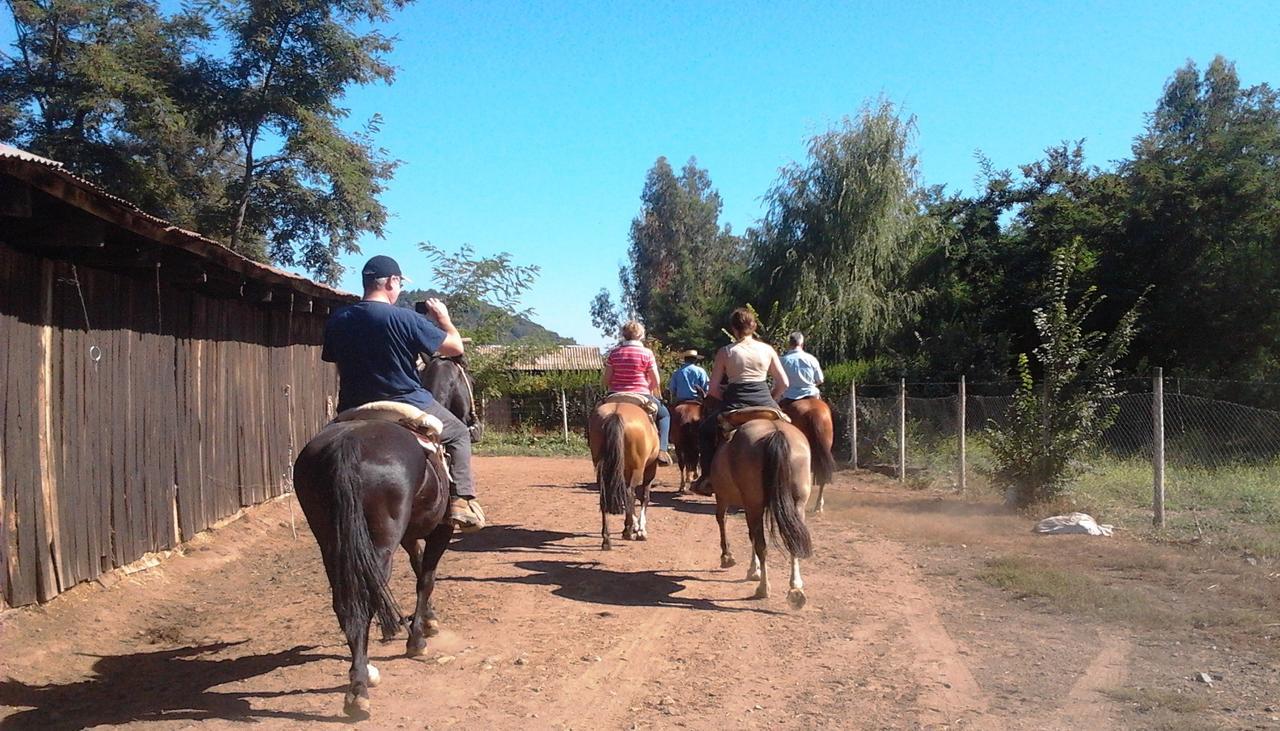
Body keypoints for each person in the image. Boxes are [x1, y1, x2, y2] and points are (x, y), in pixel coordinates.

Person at [321, 254, 486, 532]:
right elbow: (456, 347)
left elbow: (338, 366)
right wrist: (444, 320)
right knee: (458, 433)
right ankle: (462, 500)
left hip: (353, 405)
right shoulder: (406, 319)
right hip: (407, 402)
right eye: (399, 284)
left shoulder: (338, 319)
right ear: (392, 282)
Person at [688, 308, 789, 496]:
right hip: (765, 401)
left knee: (704, 431)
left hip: (735, 404)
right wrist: (771, 399)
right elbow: (784, 383)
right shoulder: (767, 350)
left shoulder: (726, 352)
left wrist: (721, 400)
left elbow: (713, 389)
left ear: (733, 329)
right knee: (791, 429)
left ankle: (707, 477)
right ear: (754, 326)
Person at [603, 320, 672, 465]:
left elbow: (606, 379)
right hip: (642, 394)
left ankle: (594, 446)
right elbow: (656, 380)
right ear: (641, 335)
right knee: (665, 415)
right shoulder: (647, 353)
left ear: (624, 335)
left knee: (595, 415)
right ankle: (663, 450)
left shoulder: (614, 353)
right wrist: (650, 388)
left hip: (614, 394)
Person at [778, 332, 825, 406]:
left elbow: (778, 382)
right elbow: (820, 380)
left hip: (789, 395)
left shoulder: (782, 361)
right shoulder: (811, 359)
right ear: (802, 344)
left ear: (789, 344)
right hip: (811, 393)